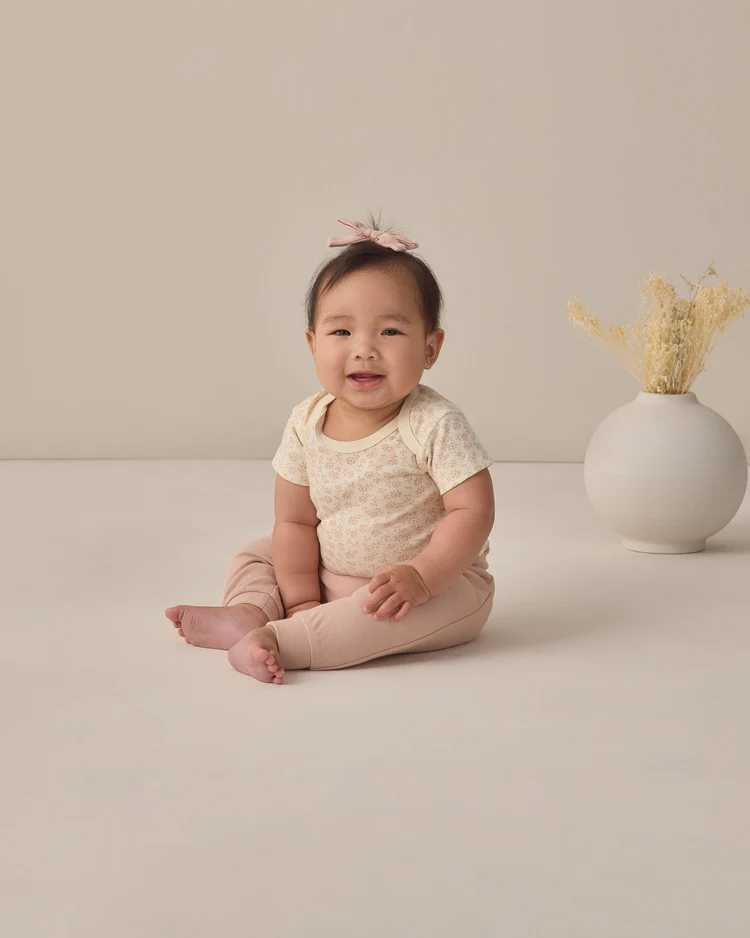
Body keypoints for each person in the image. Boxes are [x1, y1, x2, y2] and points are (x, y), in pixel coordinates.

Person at [165, 213, 496, 684]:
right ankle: (250, 611)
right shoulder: (306, 422)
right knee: (260, 553)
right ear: (312, 344)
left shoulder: (434, 423)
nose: (364, 349)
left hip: (432, 586)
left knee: (383, 614)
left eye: (390, 331)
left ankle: (284, 640)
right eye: (341, 332)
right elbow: (295, 521)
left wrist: (422, 577)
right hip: (328, 574)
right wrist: (302, 598)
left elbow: (473, 512)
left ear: (430, 347)